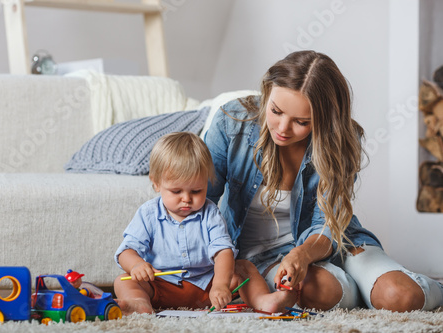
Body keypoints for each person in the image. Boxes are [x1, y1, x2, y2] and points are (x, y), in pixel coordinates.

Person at [204, 50, 443, 313]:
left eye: (301, 122)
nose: (283, 128)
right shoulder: (231, 122)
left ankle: (391, 287)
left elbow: (325, 224)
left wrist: (302, 255)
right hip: (264, 255)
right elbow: (202, 203)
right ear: (267, 92)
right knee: (315, 291)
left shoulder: (340, 137)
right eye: (276, 111)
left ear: (324, 119)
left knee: (400, 297)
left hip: (337, 241)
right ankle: (363, 291)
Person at [113, 132, 239, 315]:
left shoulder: (210, 213)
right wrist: (136, 265)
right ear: (156, 184)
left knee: (244, 269)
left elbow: (223, 252)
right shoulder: (148, 213)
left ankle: (264, 301)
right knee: (123, 280)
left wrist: (220, 285)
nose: (186, 199)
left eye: (196, 191)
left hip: (206, 289)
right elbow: (126, 251)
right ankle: (140, 304)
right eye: (176, 191)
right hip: (162, 287)